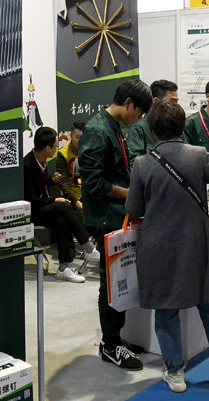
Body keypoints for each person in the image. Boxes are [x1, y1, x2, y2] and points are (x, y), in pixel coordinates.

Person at [126, 100, 209, 392]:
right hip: (197, 240)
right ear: (182, 126)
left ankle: (175, 373)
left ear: (152, 129)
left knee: (166, 311)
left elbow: (134, 208)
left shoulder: (142, 163)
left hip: (158, 244)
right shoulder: (199, 155)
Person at [78, 80, 153, 371]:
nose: (139, 118)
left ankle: (116, 338)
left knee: (119, 281)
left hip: (117, 215)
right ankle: (110, 345)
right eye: (140, 112)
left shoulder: (113, 126)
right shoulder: (98, 130)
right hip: (104, 217)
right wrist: (131, 193)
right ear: (129, 103)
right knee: (110, 283)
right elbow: (93, 182)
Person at [24, 127, 97, 283]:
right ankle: (88, 246)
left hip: (42, 207)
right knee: (64, 206)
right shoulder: (27, 165)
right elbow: (30, 198)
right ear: (47, 148)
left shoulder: (42, 161)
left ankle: (63, 268)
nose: (56, 149)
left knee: (61, 220)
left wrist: (51, 180)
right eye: (55, 146)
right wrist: (53, 200)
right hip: (32, 211)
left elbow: (40, 185)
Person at [127, 79, 179, 159]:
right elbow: (135, 163)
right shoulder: (139, 129)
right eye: (171, 102)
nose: (176, 106)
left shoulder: (176, 126)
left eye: (177, 102)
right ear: (155, 101)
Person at [56, 121, 85, 219]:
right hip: (72, 195)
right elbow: (62, 181)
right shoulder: (63, 154)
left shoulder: (92, 150)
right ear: (71, 136)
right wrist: (75, 201)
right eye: (78, 137)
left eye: (84, 137)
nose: (81, 141)